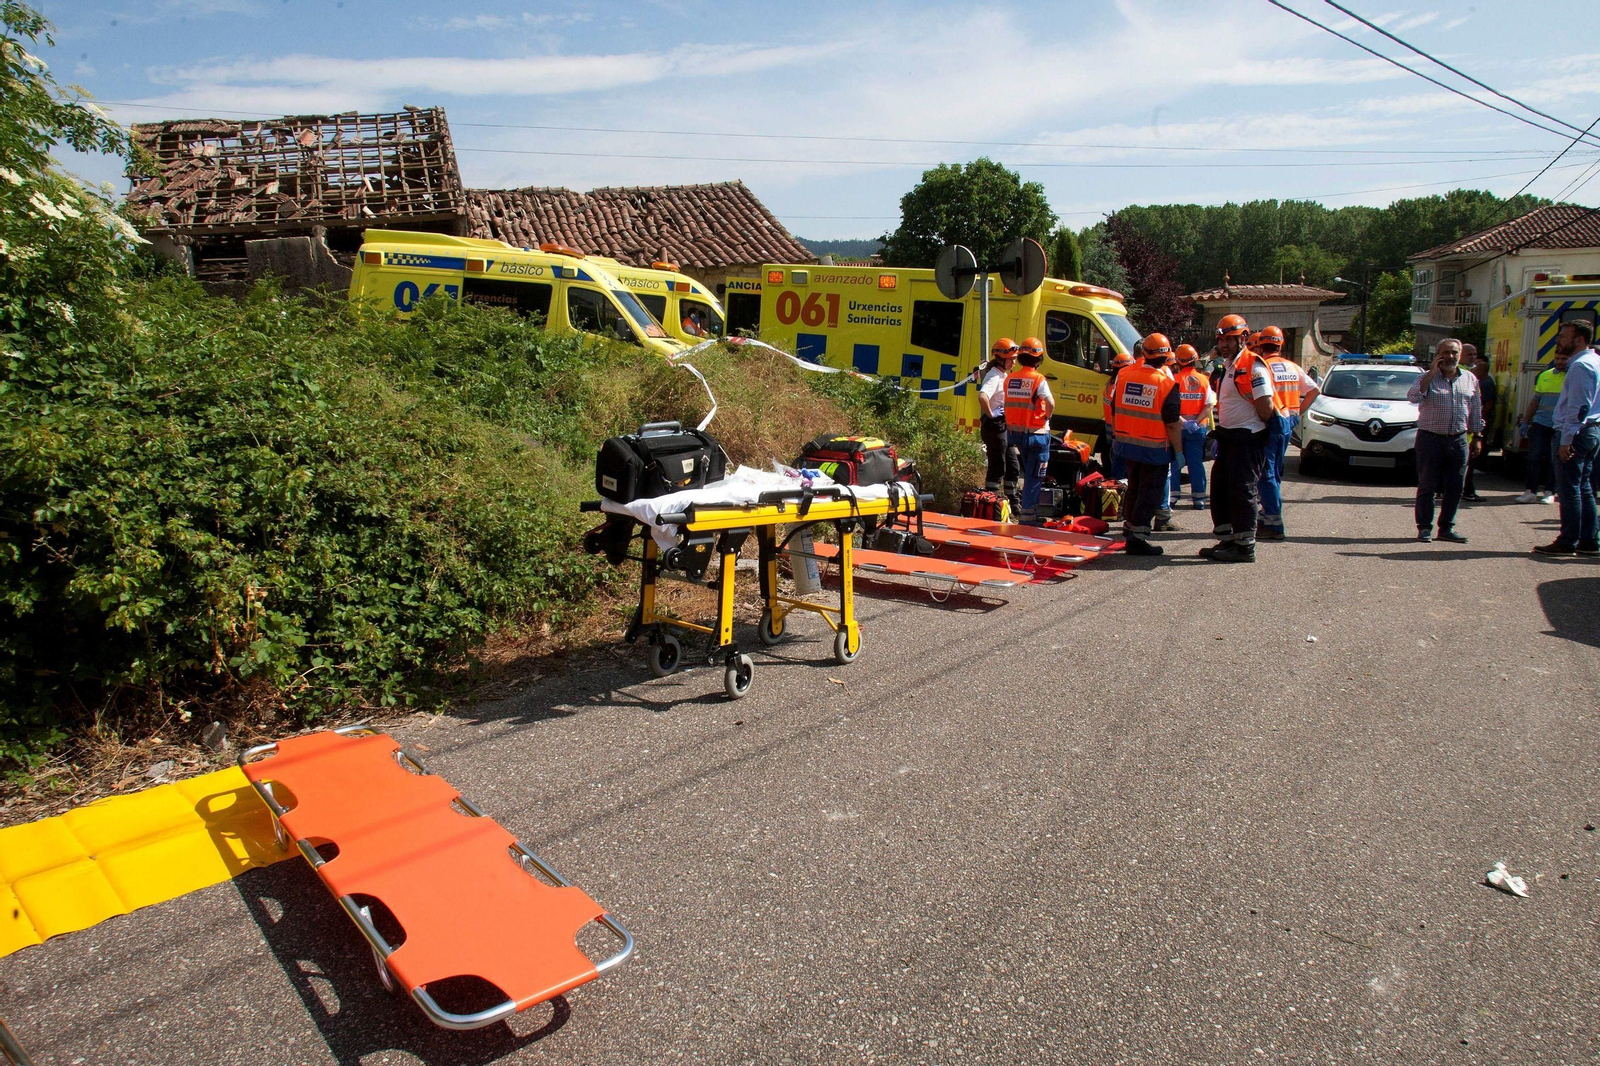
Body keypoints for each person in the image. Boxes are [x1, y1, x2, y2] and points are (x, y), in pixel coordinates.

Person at [1200, 327, 1276, 563]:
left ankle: (1245, 547)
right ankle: (1228, 539)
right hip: (1230, 436)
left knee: (1243, 490)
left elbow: (1266, 405)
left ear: (1242, 338)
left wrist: (1255, 431)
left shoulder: (1253, 364)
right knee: (1221, 488)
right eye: (1221, 340)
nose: (1223, 344)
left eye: (1228, 340)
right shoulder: (1230, 364)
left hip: (1248, 437)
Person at [1110, 333, 1183, 556]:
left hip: (1127, 443)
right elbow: (1172, 423)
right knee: (1149, 494)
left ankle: (1129, 529)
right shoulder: (1167, 383)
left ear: (1144, 353)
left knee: (1134, 488)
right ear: (1167, 357)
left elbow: (1114, 406)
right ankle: (1138, 538)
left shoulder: (1124, 374)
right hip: (1154, 448)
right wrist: (1179, 451)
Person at [1407, 338, 1482, 544]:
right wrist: (1431, 373)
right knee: (1427, 485)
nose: (1450, 357)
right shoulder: (1427, 377)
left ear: (1460, 355)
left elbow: (1475, 409)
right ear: (1438, 355)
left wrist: (1477, 436)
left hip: (1458, 440)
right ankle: (1424, 528)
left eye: (1454, 353)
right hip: (1430, 439)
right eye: (1446, 352)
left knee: (1455, 486)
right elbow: (1413, 397)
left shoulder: (1470, 379)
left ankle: (1447, 528)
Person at [1535, 320, 1600, 556]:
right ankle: (1589, 540)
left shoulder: (1581, 365)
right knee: (1583, 488)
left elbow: (1579, 407)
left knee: (1570, 489)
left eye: (1563, 336)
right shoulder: (1594, 360)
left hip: (1576, 432)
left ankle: (1568, 540)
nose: (1558, 340)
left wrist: (1566, 440)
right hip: (1589, 430)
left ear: (1579, 340)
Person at [1254, 325, 1320, 540]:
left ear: (1260, 345)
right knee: (1275, 472)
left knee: (1266, 474)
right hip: (1287, 424)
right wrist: (1297, 414)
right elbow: (1314, 390)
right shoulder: (1292, 367)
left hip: (1270, 424)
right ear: (1280, 344)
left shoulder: (1263, 367)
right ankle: (1267, 515)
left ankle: (1274, 521)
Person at [1004, 337, 1055, 524]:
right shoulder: (1038, 379)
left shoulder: (1010, 378)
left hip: (1017, 434)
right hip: (1038, 434)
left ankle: (1027, 513)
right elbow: (1050, 403)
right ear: (1038, 359)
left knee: (1028, 472)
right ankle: (1028, 516)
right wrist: (1047, 417)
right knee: (1035, 476)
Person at [1516, 344, 1569, 504]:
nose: (1559, 362)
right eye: (1557, 358)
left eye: (1563, 359)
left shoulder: (1572, 377)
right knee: (1534, 457)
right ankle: (1530, 491)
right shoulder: (1545, 375)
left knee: (1554, 460)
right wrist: (1526, 421)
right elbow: (1535, 401)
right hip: (1540, 423)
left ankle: (1549, 491)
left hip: (1559, 425)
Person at [974, 337, 1021, 508]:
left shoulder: (1002, 375)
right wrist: (992, 415)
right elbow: (982, 396)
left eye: (1015, 359)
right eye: (1011, 359)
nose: (1014, 362)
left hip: (1002, 426)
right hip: (995, 426)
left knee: (1013, 464)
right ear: (1001, 358)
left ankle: (1012, 501)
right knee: (997, 465)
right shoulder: (994, 376)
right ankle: (990, 501)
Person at [1169, 344, 1214, 509]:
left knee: (1175, 461)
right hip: (1198, 428)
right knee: (1195, 462)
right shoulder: (1203, 380)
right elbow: (1209, 405)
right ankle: (1199, 497)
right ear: (1195, 360)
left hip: (1178, 428)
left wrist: (1183, 422)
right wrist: (1195, 421)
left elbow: (1171, 408)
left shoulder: (1174, 380)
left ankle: (1173, 496)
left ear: (1178, 361)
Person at [1461, 344, 1496, 501]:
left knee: (1466, 464)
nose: (1473, 357)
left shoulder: (1469, 374)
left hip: (1468, 429)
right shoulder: (1463, 374)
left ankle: (1463, 490)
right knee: (1466, 464)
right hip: (1463, 429)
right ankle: (1466, 492)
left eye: (1475, 354)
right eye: (1470, 354)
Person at [1101, 349, 1135, 478]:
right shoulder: (1119, 384)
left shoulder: (1110, 383)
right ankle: (1117, 481)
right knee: (1119, 458)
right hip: (1119, 427)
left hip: (1110, 425)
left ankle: (1114, 479)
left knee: (1114, 455)